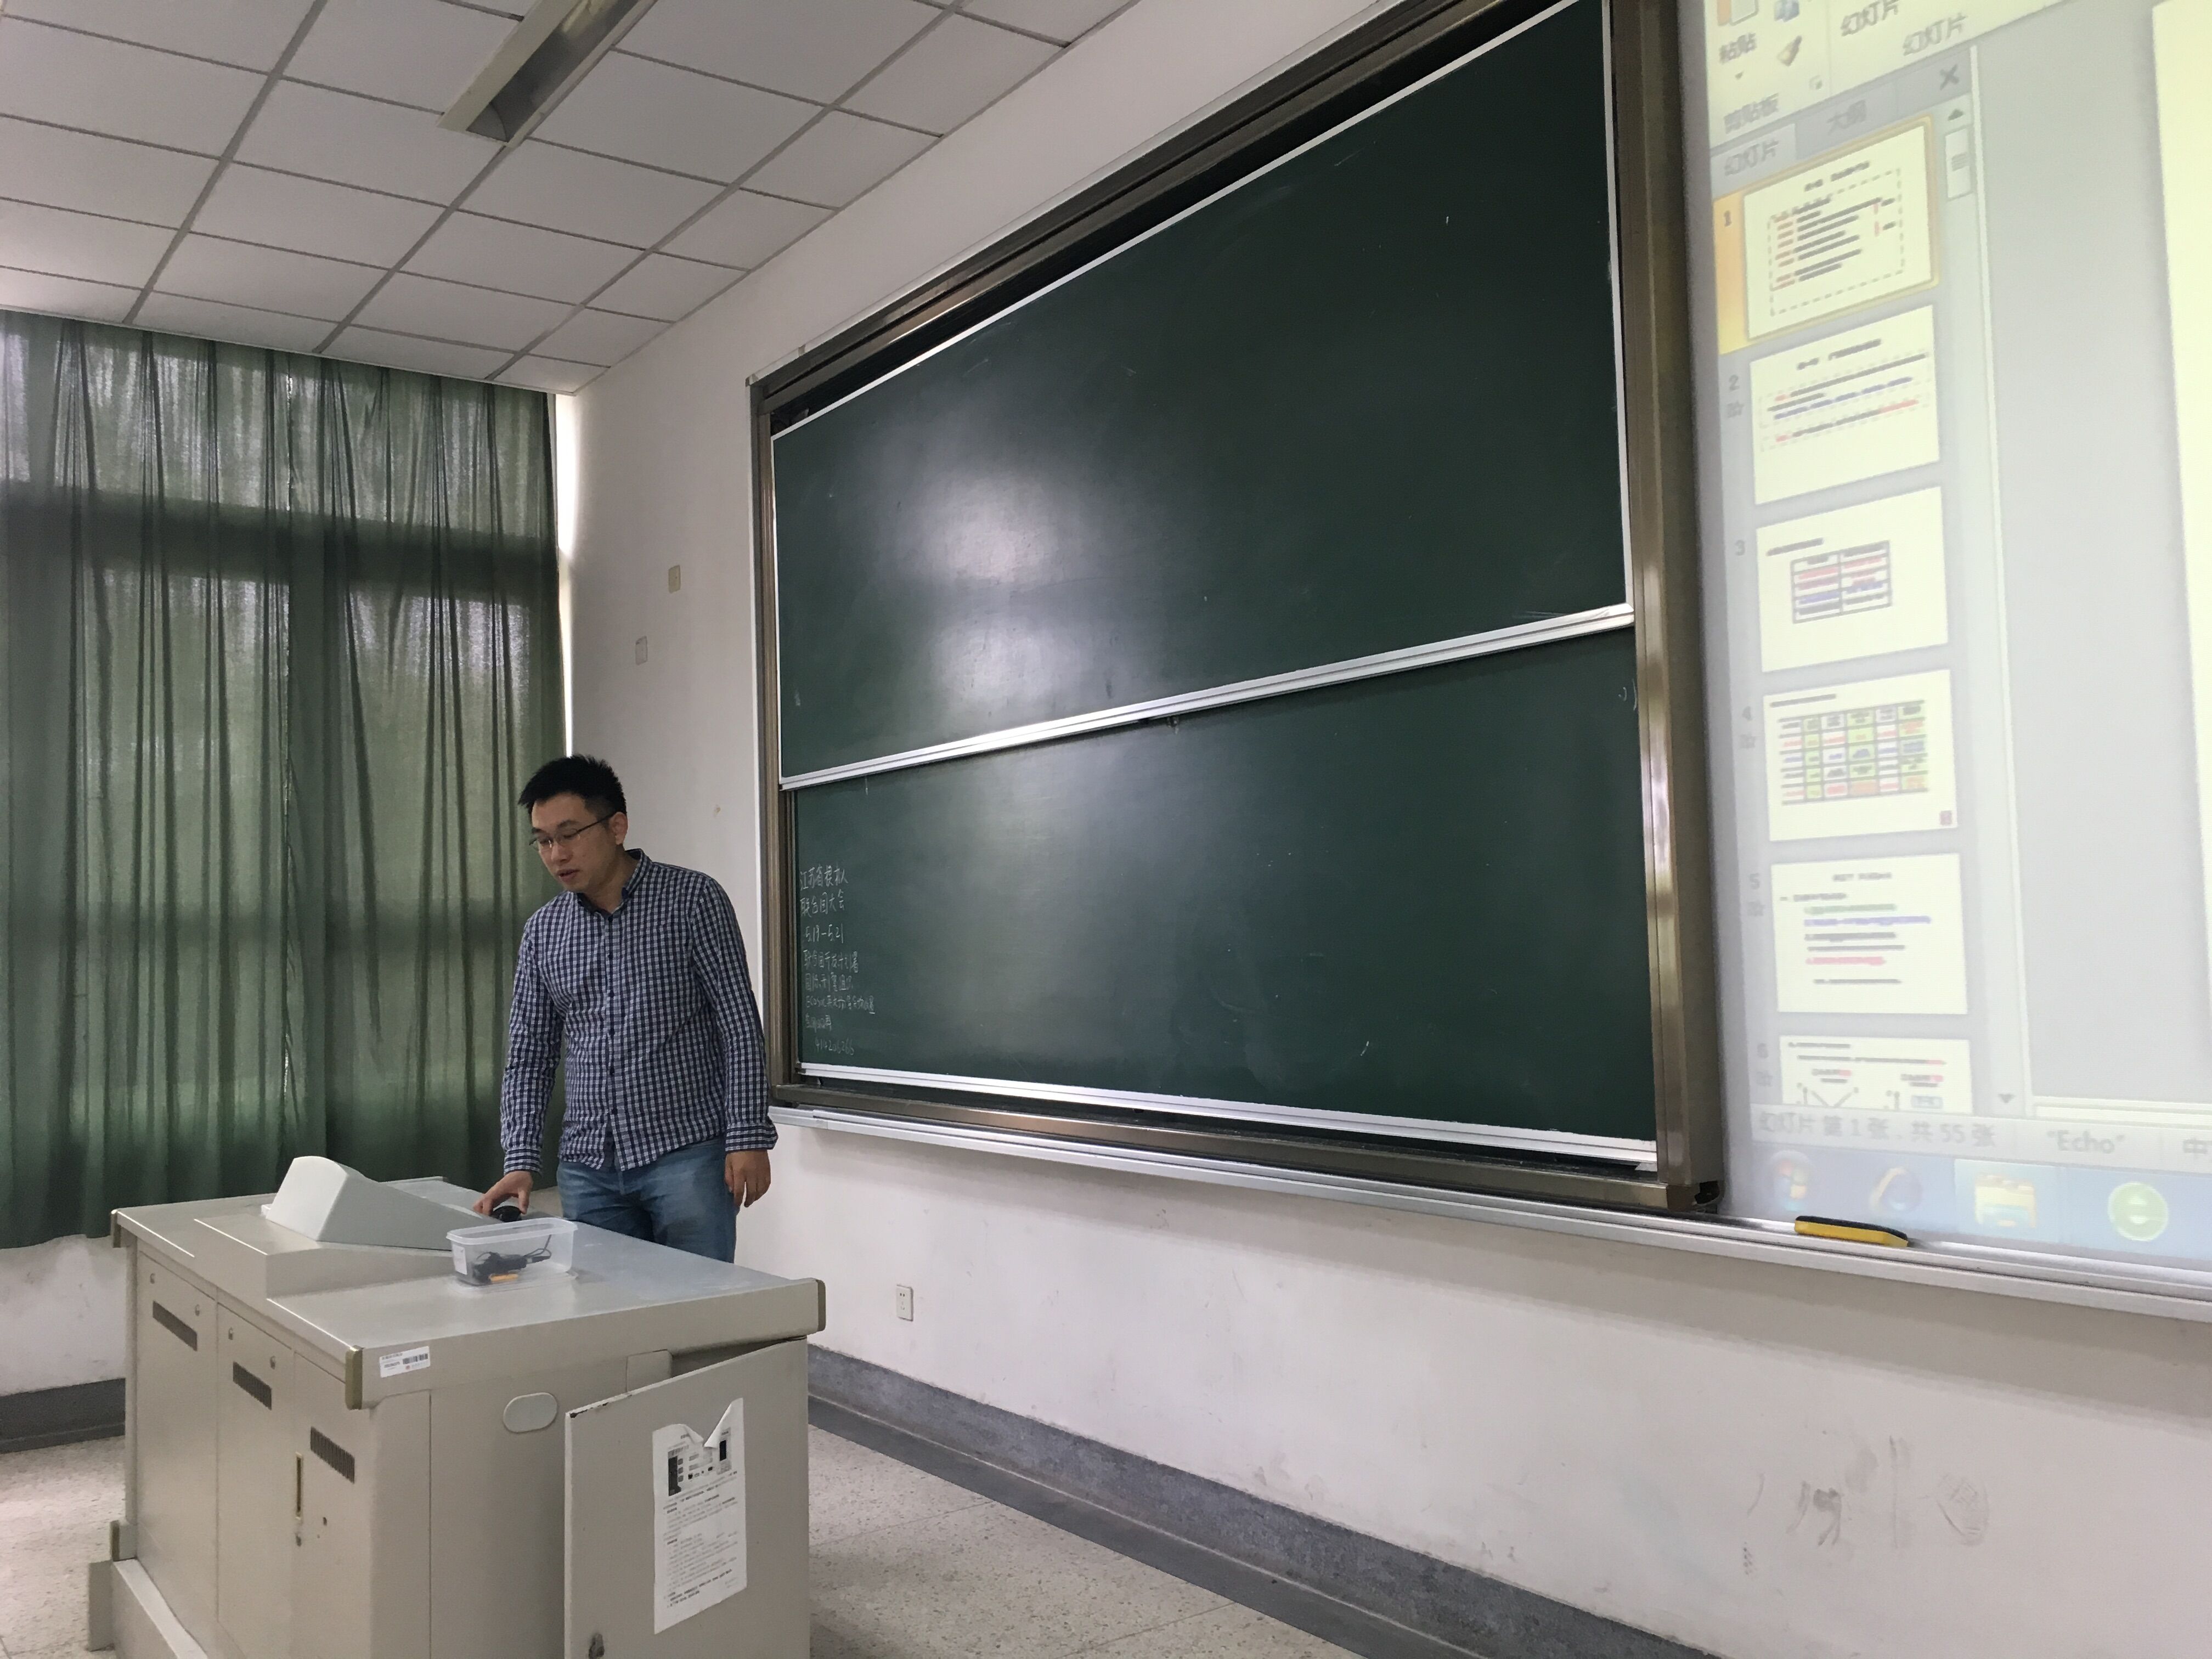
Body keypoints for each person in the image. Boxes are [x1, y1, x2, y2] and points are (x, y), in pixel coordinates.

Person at [476, 755, 772, 1259]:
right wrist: (520, 1158)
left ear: (617, 827)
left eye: (569, 834)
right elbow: (530, 1054)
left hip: (686, 1156)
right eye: (543, 841)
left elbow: (738, 1025)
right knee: (610, 1307)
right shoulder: (544, 932)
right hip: (589, 1168)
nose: (556, 854)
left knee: (697, 1299)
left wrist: (747, 1135)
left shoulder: (693, 901)